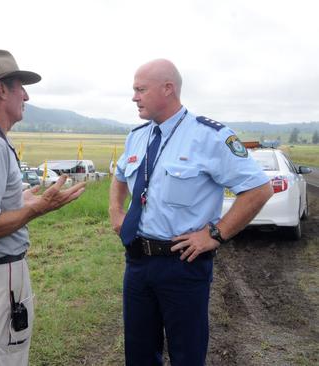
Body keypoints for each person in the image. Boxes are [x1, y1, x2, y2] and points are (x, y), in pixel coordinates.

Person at [109, 59, 274, 365]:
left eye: (140, 89)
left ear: (168, 89)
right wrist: (116, 212)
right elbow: (119, 176)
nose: (134, 97)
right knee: (138, 352)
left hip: (182, 264)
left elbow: (258, 189)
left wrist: (215, 234)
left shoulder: (209, 136)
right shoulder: (138, 135)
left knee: (187, 354)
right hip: (137, 260)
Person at [0, 49, 86, 365]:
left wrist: (14, 202)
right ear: (1, 90)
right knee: (4, 356)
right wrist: (37, 209)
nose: (26, 95)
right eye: (20, 85)